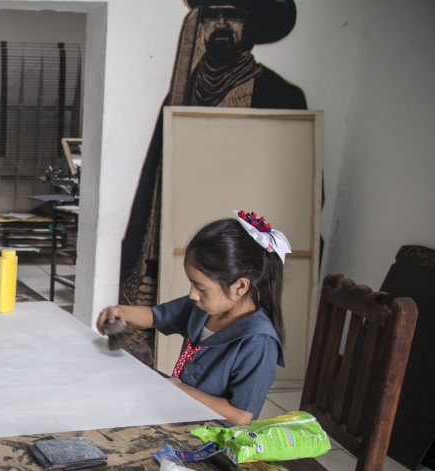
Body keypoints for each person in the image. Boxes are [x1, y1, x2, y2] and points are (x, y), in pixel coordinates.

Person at [118, 0, 306, 363]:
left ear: (248, 26)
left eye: (231, 16)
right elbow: (153, 182)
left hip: (234, 247)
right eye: (212, 15)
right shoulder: (180, 93)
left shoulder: (280, 94)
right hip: (191, 233)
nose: (220, 24)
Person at [98, 212, 290, 424]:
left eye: (201, 287)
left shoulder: (259, 342)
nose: (192, 295)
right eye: (191, 284)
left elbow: (241, 415)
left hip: (213, 435)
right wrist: (121, 312)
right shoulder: (204, 308)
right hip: (182, 414)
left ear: (240, 287)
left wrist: (180, 390)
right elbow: (156, 316)